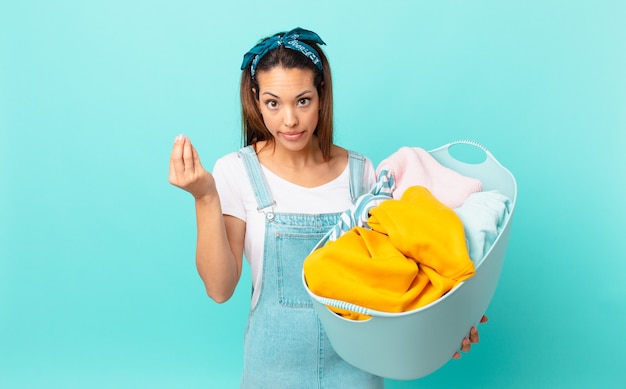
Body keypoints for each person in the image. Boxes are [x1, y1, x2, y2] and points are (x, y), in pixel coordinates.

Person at [169, 27, 486, 388]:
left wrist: (446, 326)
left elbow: (399, 276)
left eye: (302, 101)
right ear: (255, 100)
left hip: (357, 372)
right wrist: (205, 197)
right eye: (273, 103)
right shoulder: (236, 171)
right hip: (271, 373)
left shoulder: (363, 173)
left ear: (321, 95)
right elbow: (219, 289)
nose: (289, 120)